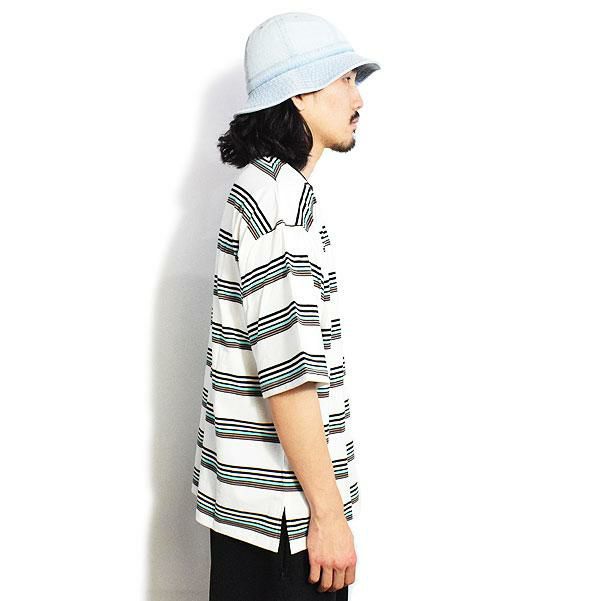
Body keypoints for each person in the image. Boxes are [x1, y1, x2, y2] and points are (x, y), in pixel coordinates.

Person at [191, 12, 381, 600]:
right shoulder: (279, 205)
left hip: (257, 518)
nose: (358, 98)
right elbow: (290, 379)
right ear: (300, 94)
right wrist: (329, 516)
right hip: (286, 527)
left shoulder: (265, 190)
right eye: (345, 79)